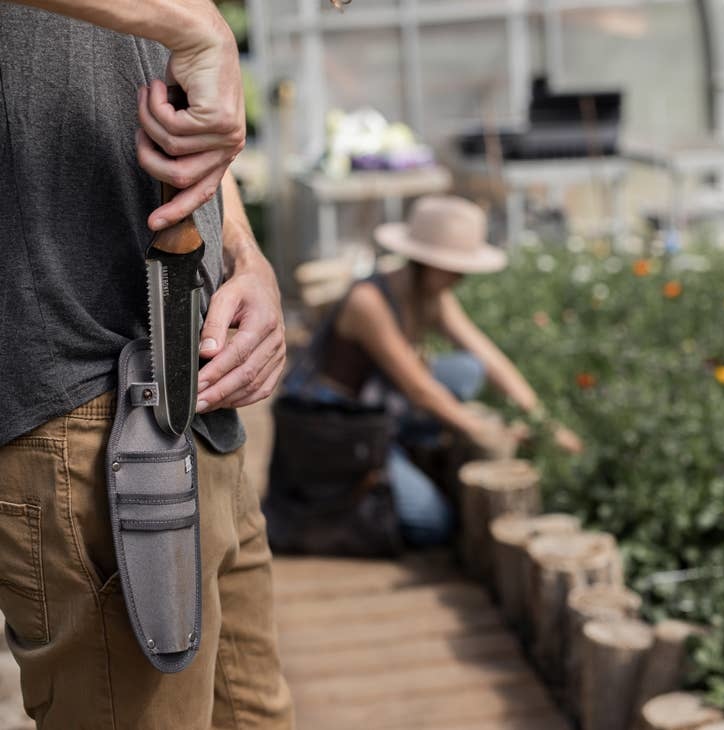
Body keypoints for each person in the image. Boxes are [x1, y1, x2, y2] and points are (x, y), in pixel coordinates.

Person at [0, 1, 293, 728]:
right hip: (78, 417)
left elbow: (168, 100)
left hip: (196, 397)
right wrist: (198, 26)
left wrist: (242, 252)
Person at [269, 195, 582, 549]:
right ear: (423, 260)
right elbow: (419, 389)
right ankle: (373, 472)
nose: (460, 277)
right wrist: (488, 432)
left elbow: (487, 356)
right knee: (433, 524)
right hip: (339, 426)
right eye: (452, 267)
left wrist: (542, 420)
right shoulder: (368, 302)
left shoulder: (431, 296)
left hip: (378, 405)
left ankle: (407, 441)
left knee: (468, 369)